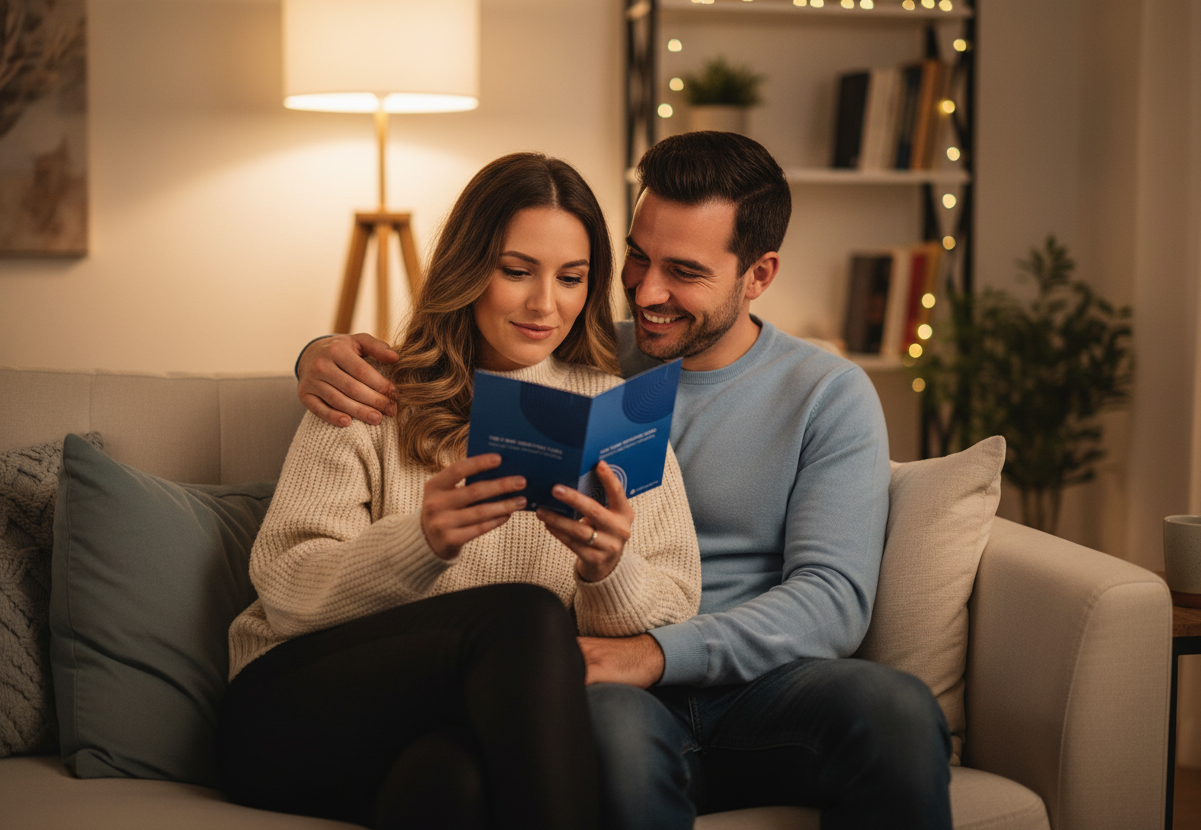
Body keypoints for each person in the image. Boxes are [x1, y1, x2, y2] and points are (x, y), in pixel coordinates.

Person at [295, 132, 953, 828]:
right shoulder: (586, 352)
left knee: (898, 708)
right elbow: (470, 347)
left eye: (685, 271)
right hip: (608, 685)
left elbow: (832, 600)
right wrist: (319, 355)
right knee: (611, 739)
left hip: (753, 687)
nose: (648, 291)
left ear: (758, 274)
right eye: (638, 258)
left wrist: (655, 654)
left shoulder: (826, 392)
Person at [219, 152, 701, 830]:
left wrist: (607, 570)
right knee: (527, 616)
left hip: (457, 729)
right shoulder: (375, 390)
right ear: (468, 268)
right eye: (516, 271)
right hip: (294, 710)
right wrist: (420, 541)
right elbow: (286, 588)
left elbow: (677, 605)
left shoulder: (615, 414)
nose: (545, 304)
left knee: (453, 788)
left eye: (571, 278)